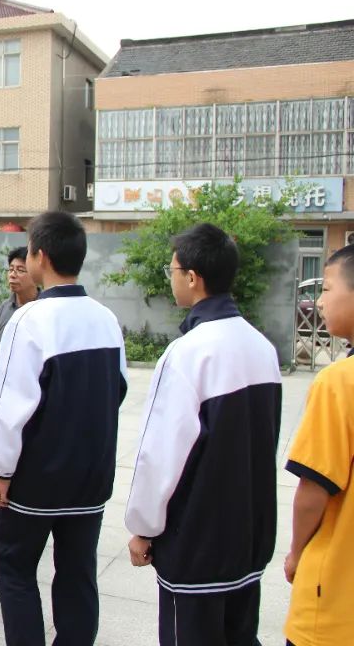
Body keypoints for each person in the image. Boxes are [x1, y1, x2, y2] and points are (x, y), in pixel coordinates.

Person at [124, 223, 282, 646]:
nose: (171, 278)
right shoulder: (262, 347)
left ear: (192, 278)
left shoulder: (188, 353)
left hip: (197, 546)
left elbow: (159, 457)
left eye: (171, 270)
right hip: (249, 540)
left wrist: (143, 527)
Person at [0, 211, 126, 646]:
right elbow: (116, 390)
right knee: (78, 574)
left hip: (37, 479)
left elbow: (10, 408)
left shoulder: (28, 321)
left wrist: (2, 470)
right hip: (91, 477)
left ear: (40, 257)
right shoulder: (106, 318)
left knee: (14, 569)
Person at [284, 244, 354, 646]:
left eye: (327, 289)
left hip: (336, 606)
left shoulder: (339, 383)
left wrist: (297, 554)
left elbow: (313, 492)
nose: (320, 301)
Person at [0, 247, 39, 422]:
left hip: (36, 395)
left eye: (21, 270)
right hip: (7, 395)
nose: (13, 275)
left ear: (35, 274)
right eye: (11, 269)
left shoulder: (46, 308)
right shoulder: (4, 309)